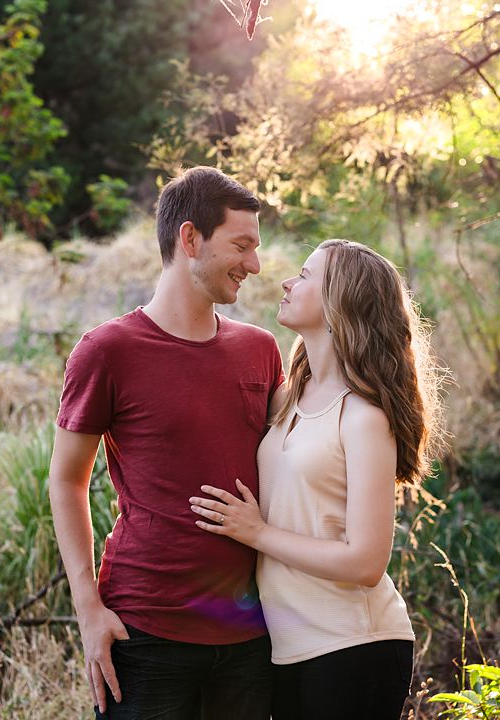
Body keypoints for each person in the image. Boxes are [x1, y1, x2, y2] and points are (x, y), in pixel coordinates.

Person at [49, 166, 283, 719]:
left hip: (251, 632)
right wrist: (88, 609)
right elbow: (66, 479)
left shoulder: (261, 350)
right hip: (145, 630)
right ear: (190, 238)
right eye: (242, 245)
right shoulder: (107, 350)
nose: (254, 264)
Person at [189, 239, 444, 720]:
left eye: (305, 275)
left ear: (338, 303)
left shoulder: (364, 416)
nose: (287, 281)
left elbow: (366, 561)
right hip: (286, 647)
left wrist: (258, 533)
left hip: (353, 644)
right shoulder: (290, 396)